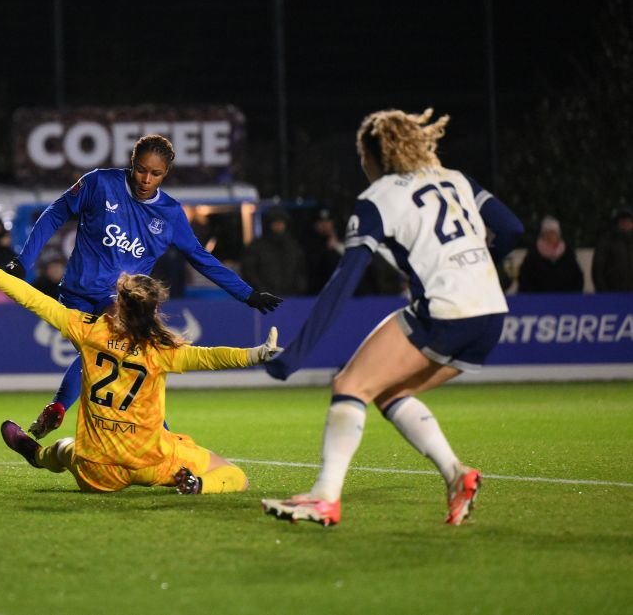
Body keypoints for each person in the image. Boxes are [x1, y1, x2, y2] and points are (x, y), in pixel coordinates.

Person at [261, 108, 523, 526]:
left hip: (445, 311)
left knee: (350, 383)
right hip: (491, 315)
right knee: (386, 391)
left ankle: (325, 496)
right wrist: (478, 265)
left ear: (371, 155)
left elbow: (344, 281)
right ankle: (456, 475)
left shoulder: (378, 199)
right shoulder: (457, 180)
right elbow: (512, 229)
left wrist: (297, 353)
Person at [0, 229, 282, 493]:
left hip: (97, 469)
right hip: (151, 463)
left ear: (118, 303)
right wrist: (256, 354)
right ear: (153, 311)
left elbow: (32, 299)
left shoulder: (89, 330)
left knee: (64, 451)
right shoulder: (162, 349)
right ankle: (196, 486)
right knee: (233, 475)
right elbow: (211, 358)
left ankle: (35, 454)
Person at [3, 134, 283, 439]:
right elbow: (55, 214)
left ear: (166, 174)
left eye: (155, 173)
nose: (146, 179)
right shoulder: (99, 184)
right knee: (107, 356)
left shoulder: (170, 215)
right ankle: (162, 441)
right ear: (132, 163)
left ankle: (60, 410)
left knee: (113, 357)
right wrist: (24, 261)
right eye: (141, 169)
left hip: (122, 300)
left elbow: (202, 259)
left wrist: (247, 294)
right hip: (76, 294)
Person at [241, 206, 307, 296]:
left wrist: (299, 289)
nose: (279, 226)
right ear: (269, 224)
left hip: (292, 298)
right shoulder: (256, 247)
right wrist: (261, 291)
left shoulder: (293, 246)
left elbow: (301, 270)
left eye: (281, 223)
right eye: (275, 222)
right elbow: (249, 272)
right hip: (266, 299)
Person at [516, 215, 584, 293]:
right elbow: (524, 278)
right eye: (549, 233)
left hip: (565, 298)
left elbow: (578, 278)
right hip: (538, 299)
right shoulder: (533, 254)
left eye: (554, 233)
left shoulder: (567, 253)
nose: (552, 236)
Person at [592, 206, 633, 292]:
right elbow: (598, 270)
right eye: (623, 220)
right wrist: (604, 293)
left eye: (629, 220)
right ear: (617, 222)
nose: (626, 223)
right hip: (613, 296)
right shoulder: (606, 241)